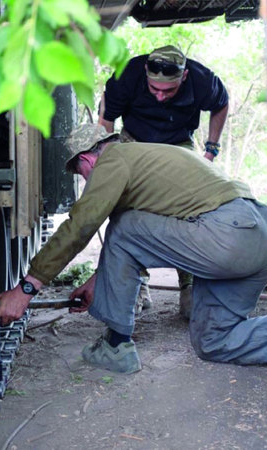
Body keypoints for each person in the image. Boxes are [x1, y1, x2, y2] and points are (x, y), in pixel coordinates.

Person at [0, 124, 267, 383]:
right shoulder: (154, 160)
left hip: (227, 236)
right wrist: (101, 280)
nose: (83, 179)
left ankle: (116, 345)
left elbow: (82, 225)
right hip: (262, 239)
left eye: (79, 172)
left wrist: (27, 288)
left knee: (122, 225)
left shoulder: (115, 159)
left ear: (88, 158)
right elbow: (147, 237)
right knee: (212, 341)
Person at [98, 44, 230, 320]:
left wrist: (211, 150)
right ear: (146, 73)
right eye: (154, 89)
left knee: (189, 211)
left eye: (168, 91)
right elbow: (106, 120)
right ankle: (137, 285)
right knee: (127, 212)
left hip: (178, 144)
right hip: (134, 141)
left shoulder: (201, 80)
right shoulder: (127, 75)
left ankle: (190, 286)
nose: (159, 96)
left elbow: (221, 104)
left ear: (184, 77)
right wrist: (109, 161)